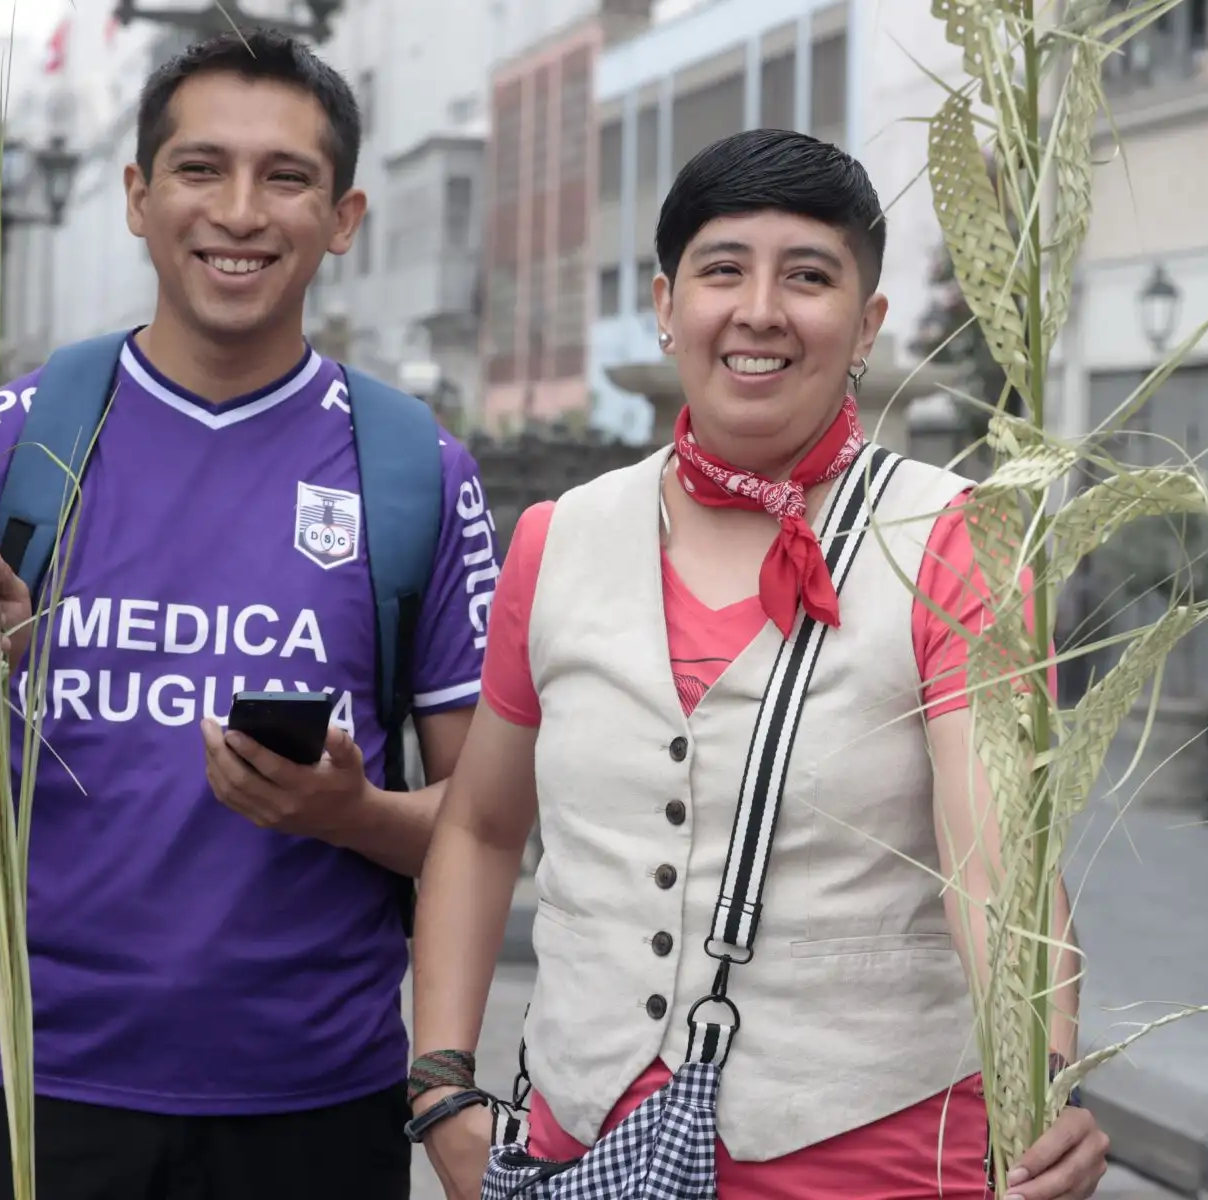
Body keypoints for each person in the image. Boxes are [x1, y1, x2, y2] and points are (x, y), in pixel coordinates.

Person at [0, 29, 494, 1200]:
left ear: (344, 217)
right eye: (200, 169)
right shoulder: (11, 440)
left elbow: (489, 824)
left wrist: (349, 812)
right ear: (139, 199)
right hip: (41, 1090)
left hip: (319, 1100)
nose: (240, 211)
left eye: (285, 178)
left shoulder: (414, 470)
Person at [405, 130, 1110, 1200]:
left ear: (867, 325)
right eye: (723, 269)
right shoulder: (559, 539)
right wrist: (442, 1090)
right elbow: (481, 823)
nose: (761, 310)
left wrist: (1044, 1080)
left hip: (878, 1159)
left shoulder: (957, 540)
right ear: (665, 303)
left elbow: (998, 869)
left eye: (810, 277)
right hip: (577, 1147)